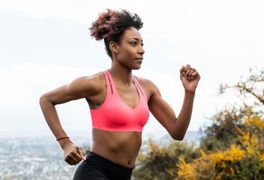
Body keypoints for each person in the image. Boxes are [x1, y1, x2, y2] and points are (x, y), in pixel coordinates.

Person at [39, 9, 200, 180]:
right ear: (114, 47)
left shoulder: (147, 88)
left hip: (124, 175)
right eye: (133, 43)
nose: (141, 50)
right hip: (94, 173)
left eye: (142, 44)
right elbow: (46, 100)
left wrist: (189, 92)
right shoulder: (96, 83)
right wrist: (65, 143)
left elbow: (177, 132)